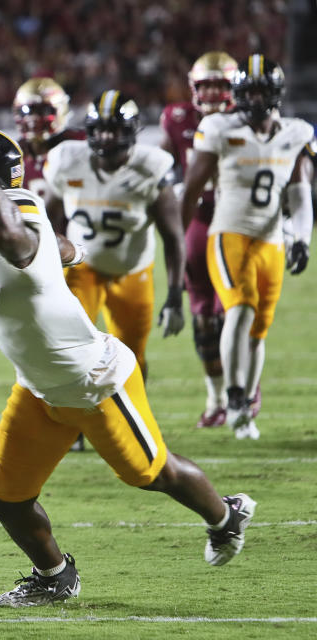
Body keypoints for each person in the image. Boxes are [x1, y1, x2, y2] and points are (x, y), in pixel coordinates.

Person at [0, 104, 255, 607]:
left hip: (94, 380)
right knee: (7, 497)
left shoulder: (16, 208)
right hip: (38, 385)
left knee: (151, 473)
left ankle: (225, 518)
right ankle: (55, 576)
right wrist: (68, 253)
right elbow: (49, 243)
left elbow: (14, 237)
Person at [181, 55, 315, 440]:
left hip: (271, 238)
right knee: (239, 307)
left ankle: (243, 410)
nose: (255, 98)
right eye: (249, 91)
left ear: (275, 93)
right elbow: (192, 188)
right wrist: (179, 236)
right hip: (229, 232)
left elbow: (300, 191)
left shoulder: (295, 132)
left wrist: (302, 238)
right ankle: (233, 394)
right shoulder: (219, 128)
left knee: (259, 328)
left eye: (261, 90)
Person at [43, 89, 186, 383]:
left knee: (132, 357)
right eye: (101, 129)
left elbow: (173, 237)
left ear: (131, 131)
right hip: (81, 268)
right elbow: (48, 220)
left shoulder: (152, 167)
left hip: (132, 271)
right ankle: (75, 425)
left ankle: (132, 421)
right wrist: (48, 270)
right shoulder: (67, 159)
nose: (107, 137)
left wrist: (174, 295)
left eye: (114, 130)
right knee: (70, 350)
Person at [159, 51, 242, 428]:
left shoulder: (244, 120)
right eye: (204, 84)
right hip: (197, 218)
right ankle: (215, 397)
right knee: (204, 317)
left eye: (218, 84)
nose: (210, 92)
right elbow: (163, 166)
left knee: (236, 311)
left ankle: (244, 387)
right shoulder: (177, 119)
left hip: (237, 221)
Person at [12, 77, 83, 203]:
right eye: (26, 111)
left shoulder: (77, 147)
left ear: (61, 110)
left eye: (42, 110)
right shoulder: (14, 154)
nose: (32, 118)